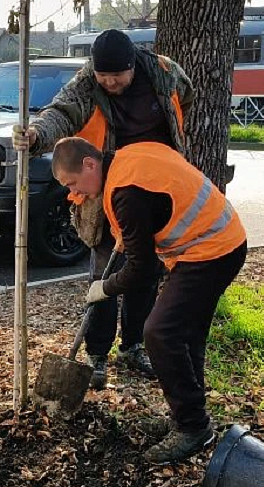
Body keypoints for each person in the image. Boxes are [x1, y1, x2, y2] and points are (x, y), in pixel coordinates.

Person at [13, 29, 196, 391]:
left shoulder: (164, 72)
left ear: (132, 67)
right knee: (103, 273)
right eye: (103, 76)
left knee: (146, 270)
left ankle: (133, 345)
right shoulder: (87, 83)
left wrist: (170, 145)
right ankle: (97, 353)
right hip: (105, 188)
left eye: (118, 76)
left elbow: (187, 97)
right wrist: (35, 136)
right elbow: (62, 113)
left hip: (156, 190)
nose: (110, 82)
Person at [51, 136, 248, 465]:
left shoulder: (124, 192)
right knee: (186, 333)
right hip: (222, 239)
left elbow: (142, 270)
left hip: (211, 250)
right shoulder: (126, 158)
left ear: (89, 164)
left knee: (159, 332)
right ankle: (188, 415)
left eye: (74, 184)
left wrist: (106, 287)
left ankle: (192, 427)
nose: (77, 195)